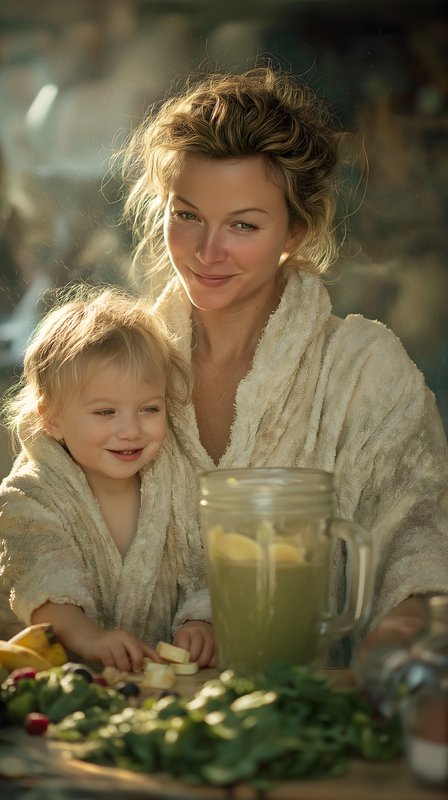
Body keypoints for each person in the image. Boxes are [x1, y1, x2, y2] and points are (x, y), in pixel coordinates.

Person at [120, 65, 448, 666]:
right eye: (187, 214)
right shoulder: (118, 359)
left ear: (295, 231)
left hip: (305, 724)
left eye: (243, 225)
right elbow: (44, 512)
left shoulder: (364, 373)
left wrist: (397, 653)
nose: (207, 251)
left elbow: (419, 548)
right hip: (130, 713)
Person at [0, 287, 215, 671]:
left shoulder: (177, 479)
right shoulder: (28, 495)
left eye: (149, 408)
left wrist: (201, 619)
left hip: (160, 685)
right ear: (53, 417)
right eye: (105, 413)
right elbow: (44, 574)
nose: (131, 430)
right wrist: (89, 637)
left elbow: (204, 558)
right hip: (58, 681)